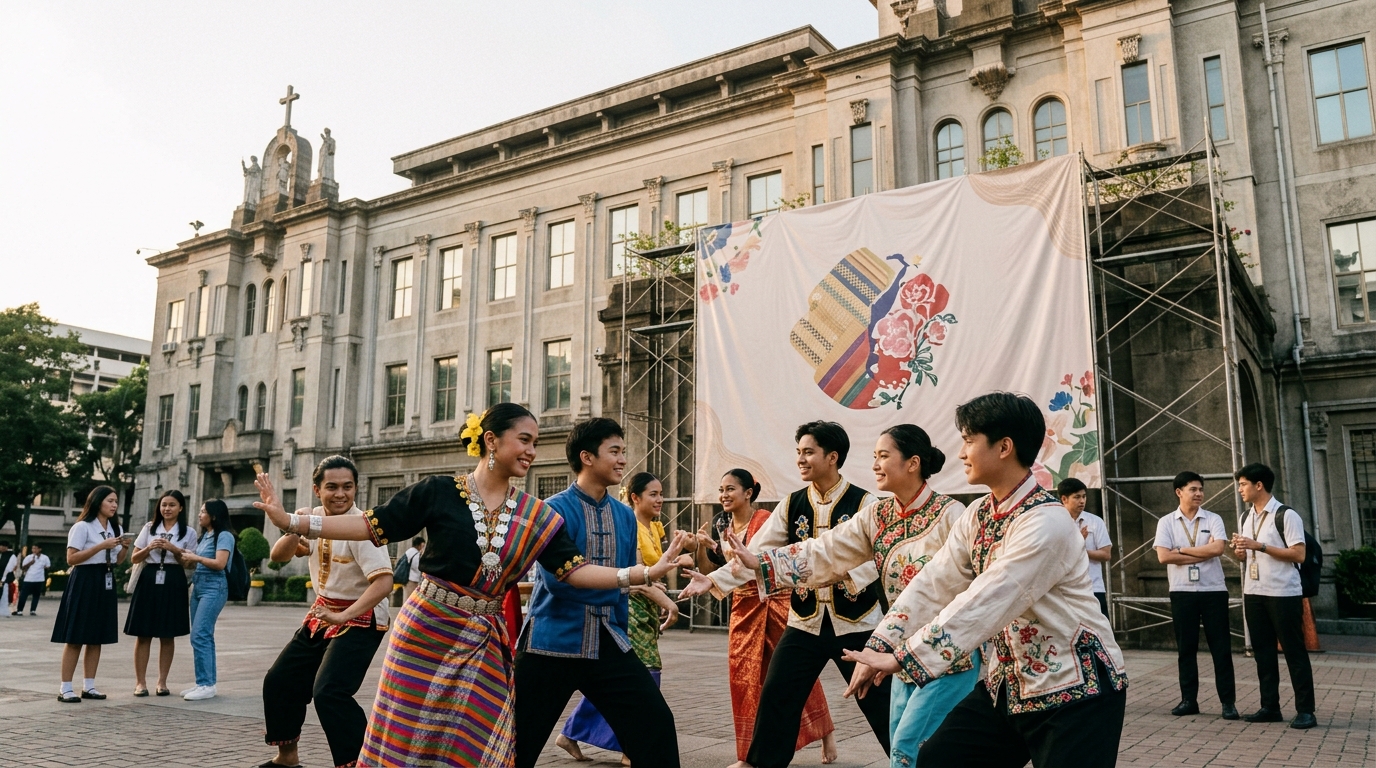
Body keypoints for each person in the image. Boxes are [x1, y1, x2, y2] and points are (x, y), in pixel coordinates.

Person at [250, 403, 688, 767]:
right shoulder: (439, 492)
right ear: (492, 441)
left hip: (484, 640)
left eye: (536, 442)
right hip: (425, 633)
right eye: (525, 440)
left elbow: (573, 570)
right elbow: (372, 524)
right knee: (405, 740)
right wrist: (292, 520)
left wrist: (647, 573)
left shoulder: (537, 515)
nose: (532, 450)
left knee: (481, 742)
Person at [843, 393, 1128, 768]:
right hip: (1009, 684)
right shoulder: (978, 514)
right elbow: (935, 582)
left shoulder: (1046, 522)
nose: (961, 453)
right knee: (938, 761)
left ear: (1004, 447)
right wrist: (880, 645)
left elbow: (987, 599)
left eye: (969, 440)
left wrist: (904, 657)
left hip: (1077, 689)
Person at [717, 425, 973, 768]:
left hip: (942, 652)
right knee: (902, 743)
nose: (875, 465)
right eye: (874, 457)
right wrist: (763, 561)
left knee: (918, 742)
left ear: (912, 463)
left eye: (883, 456)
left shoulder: (951, 515)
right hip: (887, 644)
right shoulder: (877, 514)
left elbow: (969, 586)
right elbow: (826, 551)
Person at [682, 421, 888, 768]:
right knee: (778, 693)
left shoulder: (865, 502)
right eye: (798, 453)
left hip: (857, 621)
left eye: (809, 452)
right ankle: (759, 763)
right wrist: (714, 580)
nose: (801, 460)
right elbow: (756, 555)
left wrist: (839, 574)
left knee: (879, 698)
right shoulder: (792, 504)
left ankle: (910, 759)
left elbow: (876, 560)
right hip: (805, 619)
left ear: (832, 457)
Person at [513, 418, 683, 768]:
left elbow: (624, 587)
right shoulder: (554, 510)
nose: (623, 459)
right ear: (587, 457)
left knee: (656, 725)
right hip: (552, 642)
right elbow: (562, 580)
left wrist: (623, 625)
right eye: (615, 451)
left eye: (624, 451)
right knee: (517, 741)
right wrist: (645, 574)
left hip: (606, 639)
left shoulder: (624, 516)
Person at [690, 468, 837, 768]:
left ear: (748, 493)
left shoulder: (766, 521)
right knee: (743, 679)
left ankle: (826, 732)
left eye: (730, 489)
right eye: (721, 489)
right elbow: (733, 565)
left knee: (790, 679)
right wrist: (711, 548)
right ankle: (747, 755)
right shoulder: (724, 524)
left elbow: (769, 561)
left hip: (774, 607)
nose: (724, 495)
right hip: (742, 609)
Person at [260, 456, 394, 768]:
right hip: (323, 614)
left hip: (362, 617)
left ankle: (363, 764)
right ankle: (287, 758)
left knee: (330, 693)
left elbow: (384, 583)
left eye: (347, 487)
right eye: (331, 487)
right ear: (317, 489)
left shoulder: (364, 527)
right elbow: (277, 556)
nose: (340, 494)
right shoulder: (314, 518)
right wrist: (292, 525)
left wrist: (344, 617)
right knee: (280, 681)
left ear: (356, 489)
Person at [555, 471, 683, 765]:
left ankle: (574, 731)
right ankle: (629, 747)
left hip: (645, 611)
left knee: (619, 681)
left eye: (661, 493)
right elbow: (635, 576)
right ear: (635, 497)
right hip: (631, 607)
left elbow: (653, 571)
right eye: (653, 494)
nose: (660, 499)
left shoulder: (652, 527)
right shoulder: (629, 523)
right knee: (642, 674)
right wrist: (667, 601)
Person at [1230, 463, 1317, 730]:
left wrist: (1260, 545)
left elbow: (1298, 554)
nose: (1240, 489)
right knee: (1263, 653)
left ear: (1259, 485)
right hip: (1254, 592)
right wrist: (1242, 552)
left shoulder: (1286, 515)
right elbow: (1248, 553)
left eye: (1244, 484)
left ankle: (1306, 711)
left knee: (1294, 652)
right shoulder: (1246, 517)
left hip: (1283, 593)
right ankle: (1270, 706)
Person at [1153, 471, 1236, 720]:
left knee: (1221, 648)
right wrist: (1203, 551)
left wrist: (1183, 549)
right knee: (1186, 649)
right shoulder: (1166, 522)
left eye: (1201, 489)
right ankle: (1189, 700)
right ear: (1179, 492)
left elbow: (1218, 548)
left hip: (1213, 591)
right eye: (1193, 489)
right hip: (1182, 592)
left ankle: (1228, 703)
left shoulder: (1213, 518)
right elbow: (1164, 556)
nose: (1199, 493)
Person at [51, 486, 129, 703]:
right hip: (85, 579)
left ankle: (89, 685)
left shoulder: (116, 527)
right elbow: (72, 559)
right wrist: (101, 546)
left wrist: (124, 547)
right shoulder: (82, 527)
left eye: (116, 501)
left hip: (105, 579)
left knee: (97, 636)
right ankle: (65, 687)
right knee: (76, 636)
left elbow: (118, 561)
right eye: (110, 501)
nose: (114, 505)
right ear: (97, 502)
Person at [124, 490, 197, 697]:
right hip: (149, 577)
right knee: (143, 633)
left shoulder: (188, 532)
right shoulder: (149, 528)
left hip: (173, 578)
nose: (167, 509)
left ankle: (162, 682)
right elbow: (135, 558)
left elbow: (189, 562)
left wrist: (173, 549)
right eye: (164, 505)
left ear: (180, 508)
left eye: (172, 505)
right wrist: (149, 548)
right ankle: (140, 683)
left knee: (168, 633)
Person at [179, 499, 236, 701]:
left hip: (215, 587)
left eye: (203, 511)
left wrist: (196, 558)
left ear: (213, 515)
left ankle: (206, 685)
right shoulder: (206, 536)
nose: (199, 514)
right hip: (198, 586)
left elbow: (220, 564)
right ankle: (203, 682)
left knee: (200, 634)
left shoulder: (225, 536)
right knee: (201, 636)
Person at [1057, 478, 1112, 617]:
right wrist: (1077, 544)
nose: (1082, 501)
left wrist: (1080, 550)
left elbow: (1106, 554)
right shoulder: (1055, 522)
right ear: (1064, 499)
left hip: (1093, 586)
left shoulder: (1095, 521)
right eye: (1077, 497)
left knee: (1100, 632)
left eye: (1084, 496)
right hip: (1064, 588)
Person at [15, 542, 51, 616]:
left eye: (36, 548)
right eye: (33, 548)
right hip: (29, 579)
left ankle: (33, 610)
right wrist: (30, 563)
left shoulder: (44, 557)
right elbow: (23, 567)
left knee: (36, 595)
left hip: (39, 579)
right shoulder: (29, 557)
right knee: (23, 595)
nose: (34, 550)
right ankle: (20, 610)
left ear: (40, 549)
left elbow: (48, 566)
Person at [1, 541, 17, 616]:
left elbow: (9, 568)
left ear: (6, 547)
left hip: (4, 578)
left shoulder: (11, 555)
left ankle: (3, 610)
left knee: (3, 594)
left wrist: (3, 577)